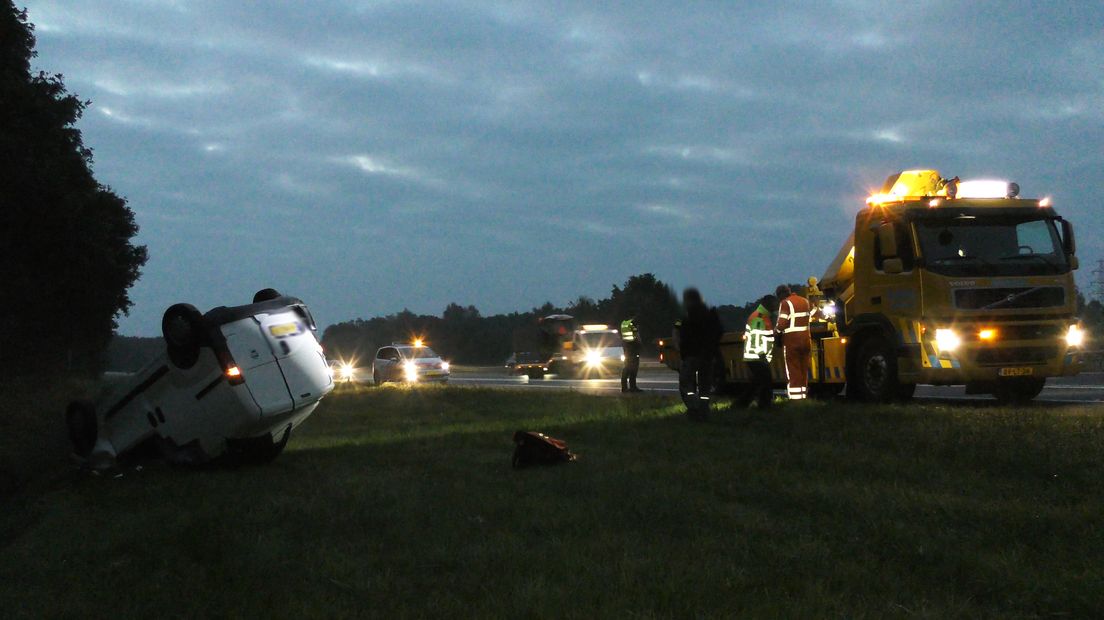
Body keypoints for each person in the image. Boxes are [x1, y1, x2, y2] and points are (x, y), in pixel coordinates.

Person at [677, 288, 723, 419]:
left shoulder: (688, 315)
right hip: (707, 356)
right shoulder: (711, 314)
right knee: (705, 386)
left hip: (691, 355)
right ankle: (704, 409)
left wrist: (683, 351)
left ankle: (694, 408)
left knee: (686, 383)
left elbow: (683, 334)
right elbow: (719, 332)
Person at [774, 284, 815, 400]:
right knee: (803, 369)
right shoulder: (805, 301)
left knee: (793, 369)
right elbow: (813, 311)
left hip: (792, 341)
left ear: (781, 294)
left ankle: (795, 399)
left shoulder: (785, 303)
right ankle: (803, 395)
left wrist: (775, 332)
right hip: (806, 340)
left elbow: (782, 323)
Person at [742, 302, 775, 408]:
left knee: (757, 382)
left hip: (753, 356)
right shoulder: (760, 318)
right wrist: (763, 355)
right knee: (766, 381)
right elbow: (757, 339)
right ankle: (764, 405)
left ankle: (743, 404)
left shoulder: (758, 315)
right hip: (757, 356)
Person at [619, 316, 643, 393]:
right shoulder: (633, 323)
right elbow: (637, 335)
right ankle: (632, 387)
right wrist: (640, 344)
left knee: (627, 367)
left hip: (626, 347)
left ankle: (625, 387)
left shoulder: (624, 323)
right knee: (633, 368)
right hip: (633, 347)